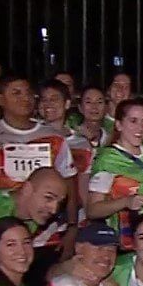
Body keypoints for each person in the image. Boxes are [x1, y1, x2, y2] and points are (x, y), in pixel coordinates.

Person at [0, 76, 79, 230]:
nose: (25, 98)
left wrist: (71, 225)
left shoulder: (54, 137)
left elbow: (69, 183)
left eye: (29, 93)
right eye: (16, 93)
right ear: (0, 99)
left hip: (45, 229)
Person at [87, 99, 143, 249]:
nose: (140, 128)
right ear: (119, 125)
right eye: (133, 121)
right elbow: (93, 210)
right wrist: (125, 202)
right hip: (135, 242)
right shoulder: (108, 160)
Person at [38, 78, 95, 212]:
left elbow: (83, 184)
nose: (48, 104)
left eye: (54, 99)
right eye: (44, 99)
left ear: (67, 103)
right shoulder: (31, 137)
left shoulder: (81, 143)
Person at [75, 85, 109, 151]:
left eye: (99, 102)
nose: (94, 107)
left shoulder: (110, 140)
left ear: (106, 108)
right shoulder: (71, 138)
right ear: (80, 107)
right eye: (88, 102)